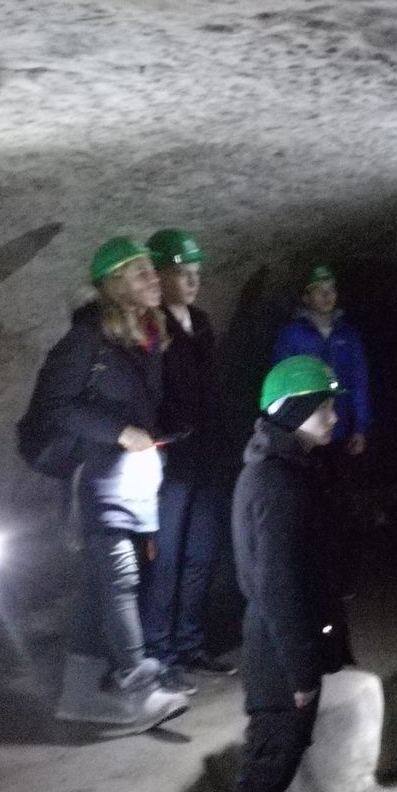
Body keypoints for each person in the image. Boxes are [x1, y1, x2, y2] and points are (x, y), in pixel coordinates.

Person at [18, 237, 188, 731]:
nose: (154, 279)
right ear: (114, 286)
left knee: (99, 589)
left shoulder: (146, 338)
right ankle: (140, 685)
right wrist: (116, 432)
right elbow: (54, 407)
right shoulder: (84, 342)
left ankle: (78, 695)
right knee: (119, 578)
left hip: (131, 476)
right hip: (95, 475)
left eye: (151, 273)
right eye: (140, 275)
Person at [229, 355, 353, 792]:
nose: (333, 415)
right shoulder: (275, 482)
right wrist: (302, 669)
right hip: (278, 654)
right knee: (266, 771)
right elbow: (275, 587)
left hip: (288, 647)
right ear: (297, 412)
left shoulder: (288, 467)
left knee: (276, 766)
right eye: (324, 406)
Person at [141, 229, 236, 695]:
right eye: (182, 272)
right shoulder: (148, 329)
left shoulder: (200, 322)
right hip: (170, 463)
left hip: (206, 459)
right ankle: (159, 654)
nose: (193, 281)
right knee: (166, 559)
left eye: (196, 273)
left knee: (200, 556)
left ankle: (189, 643)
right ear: (159, 275)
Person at [271, 265, 372, 457]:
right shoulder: (291, 335)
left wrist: (360, 427)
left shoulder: (348, 336)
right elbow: (281, 386)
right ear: (306, 297)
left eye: (331, 289)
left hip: (341, 429)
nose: (327, 295)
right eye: (319, 290)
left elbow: (359, 382)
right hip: (305, 433)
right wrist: (286, 430)